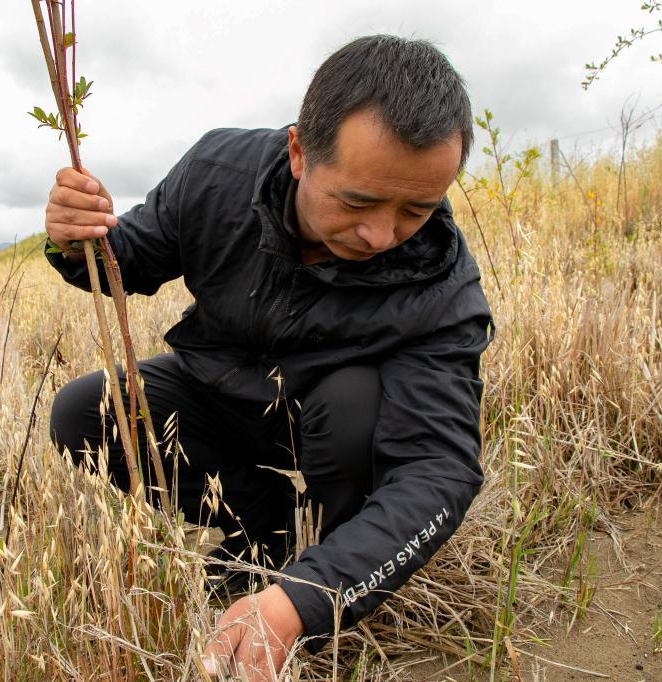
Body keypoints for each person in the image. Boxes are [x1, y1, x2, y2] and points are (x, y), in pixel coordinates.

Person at [44, 34, 495, 680]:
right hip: (220, 399)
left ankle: (307, 559)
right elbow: (131, 260)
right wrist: (74, 239)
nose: (380, 235)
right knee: (84, 413)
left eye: (415, 210)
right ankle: (258, 536)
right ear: (298, 151)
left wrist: (305, 600)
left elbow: (437, 472)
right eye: (358, 201)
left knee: (350, 404)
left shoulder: (441, 286)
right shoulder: (216, 175)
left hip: (328, 443)